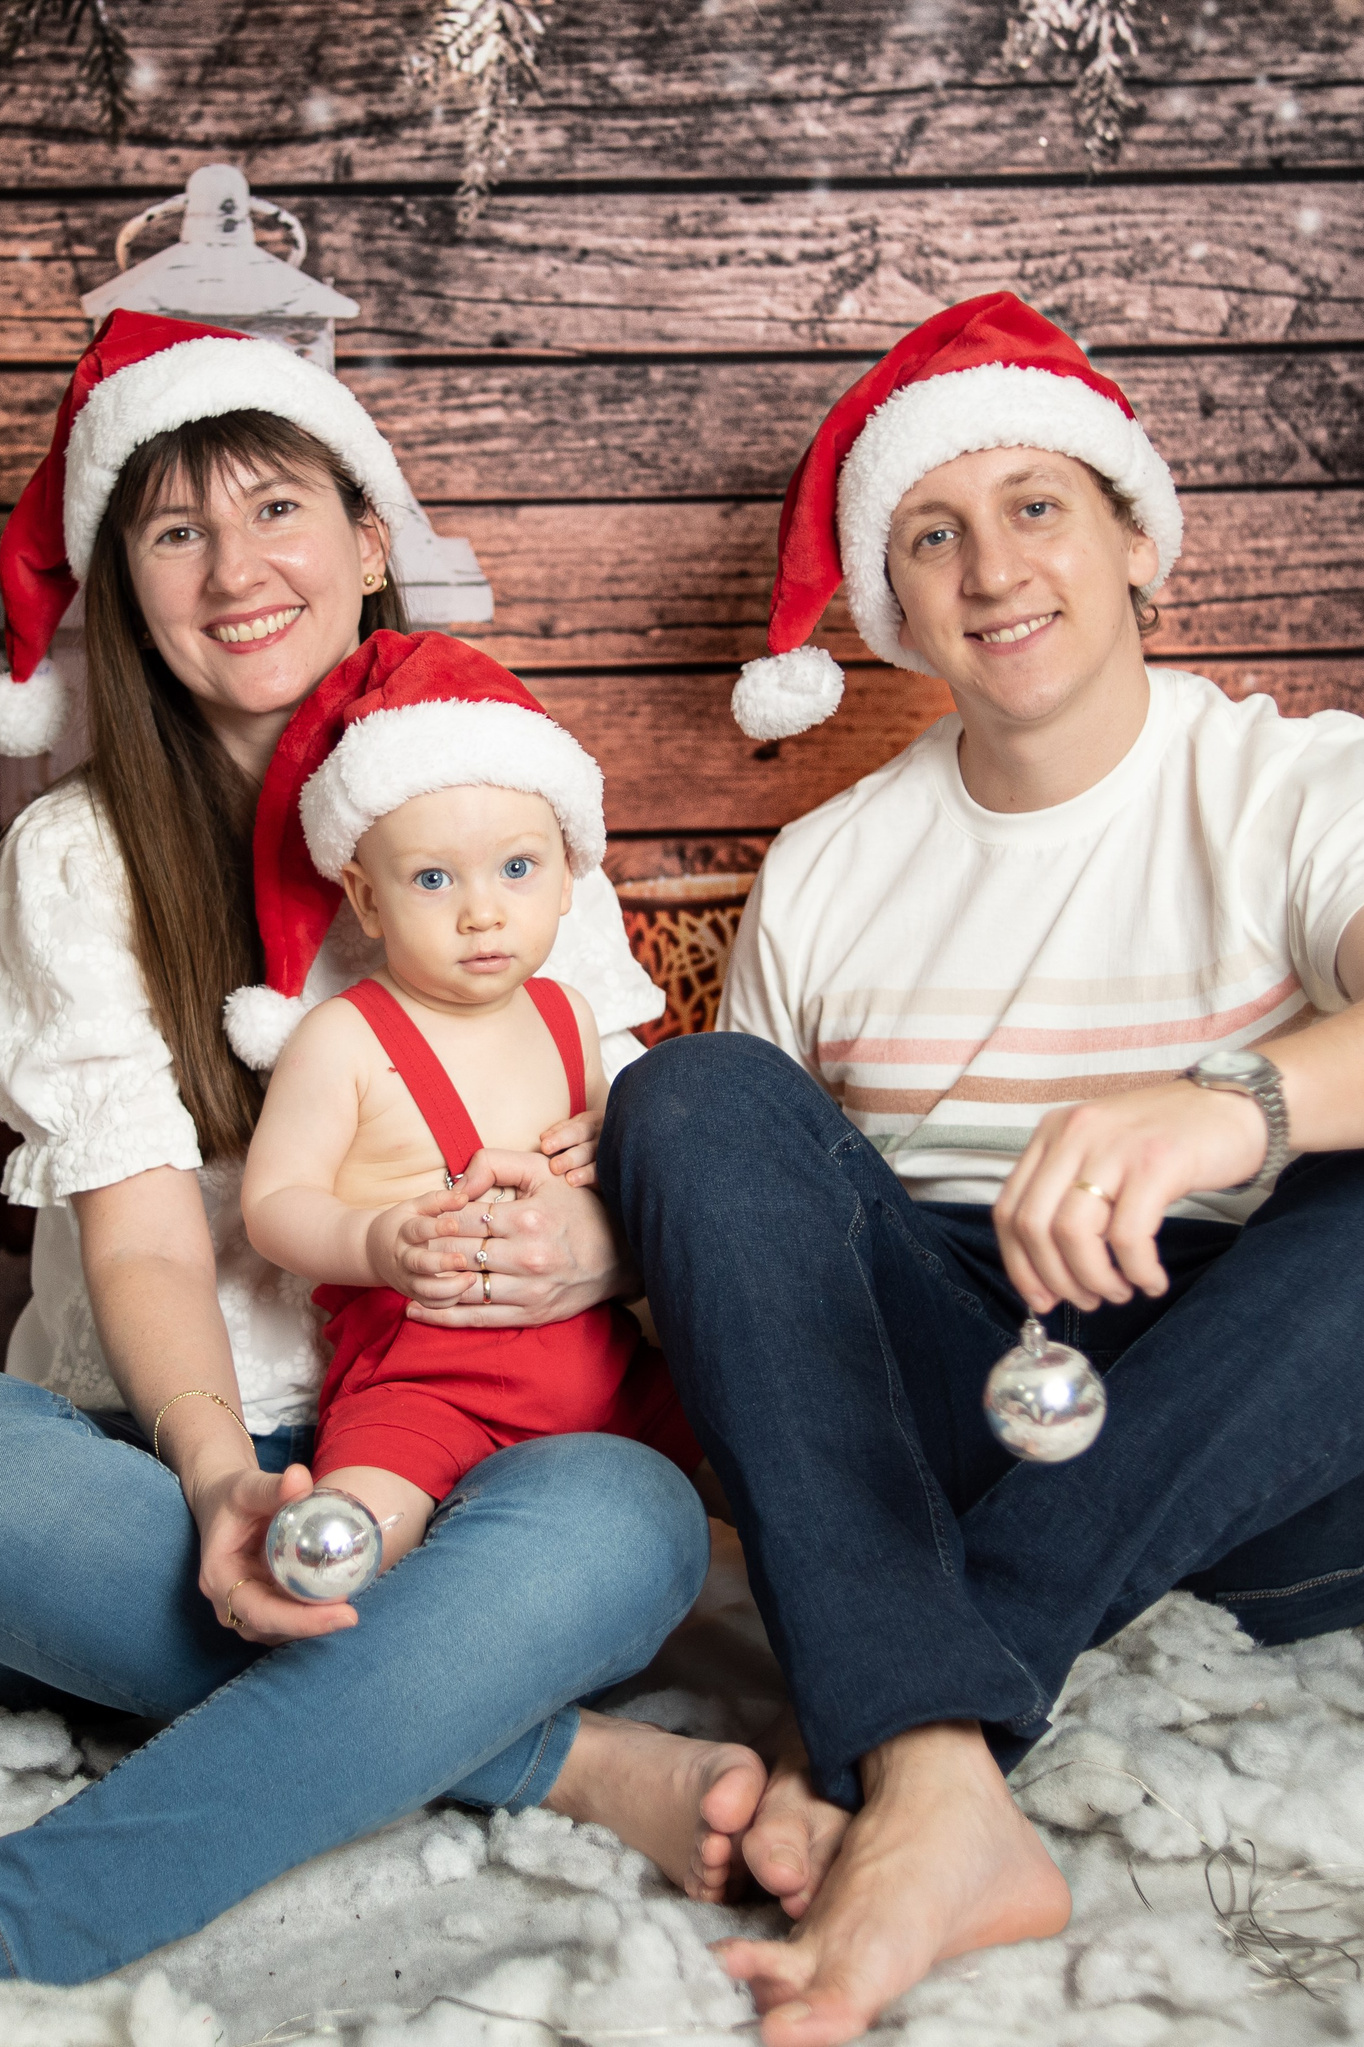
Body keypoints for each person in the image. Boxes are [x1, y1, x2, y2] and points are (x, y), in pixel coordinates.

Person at [598, 292, 1364, 2047]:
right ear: (885, 602)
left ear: (1130, 543)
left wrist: (1220, 1105)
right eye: (929, 532)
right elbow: (764, 1259)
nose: (989, 566)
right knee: (695, 1093)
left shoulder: (1293, 782)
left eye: (1036, 505)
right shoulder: (826, 865)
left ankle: (901, 1724)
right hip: (959, 1392)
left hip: (1264, 1429)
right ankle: (938, 1774)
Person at [0, 312, 765, 1987]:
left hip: (488, 1448)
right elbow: (140, 1237)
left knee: (626, 1516)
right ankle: (554, 1756)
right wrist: (217, 1485)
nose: (233, 570)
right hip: (168, 1445)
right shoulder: (75, 853)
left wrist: (599, 1243)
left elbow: (631, 1144)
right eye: (174, 528)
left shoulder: (498, 797)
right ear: (124, 584)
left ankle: (74, 1884)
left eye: (277, 508)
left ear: (368, 537)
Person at [239, 627, 702, 1564]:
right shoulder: (347, 1036)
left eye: (518, 869)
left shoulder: (569, 1014)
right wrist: (375, 1238)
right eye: (434, 878)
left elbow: (629, 1192)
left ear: (569, 875)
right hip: (422, 1387)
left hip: (604, 1369)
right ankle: (358, 1619)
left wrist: (609, 1147)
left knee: (761, 1458)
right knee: (345, 1545)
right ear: (367, 901)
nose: (482, 910)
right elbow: (273, 1204)